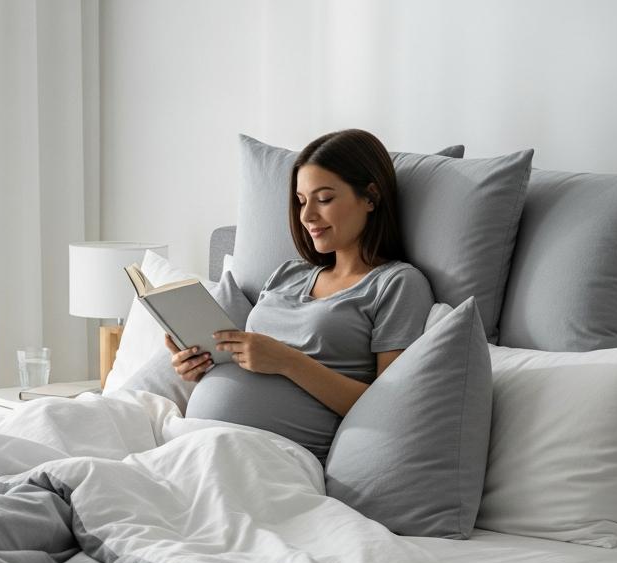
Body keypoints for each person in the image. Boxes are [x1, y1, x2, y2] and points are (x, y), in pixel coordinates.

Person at [173, 128, 434, 463]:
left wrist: (287, 361)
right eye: (301, 201)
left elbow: (389, 408)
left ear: (371, 197)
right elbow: (251, 366)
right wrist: (202, 367)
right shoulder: (287, 274)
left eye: (323, 199)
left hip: (273, 458)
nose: (307, 215)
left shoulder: (397, 284)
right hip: (192, 441)